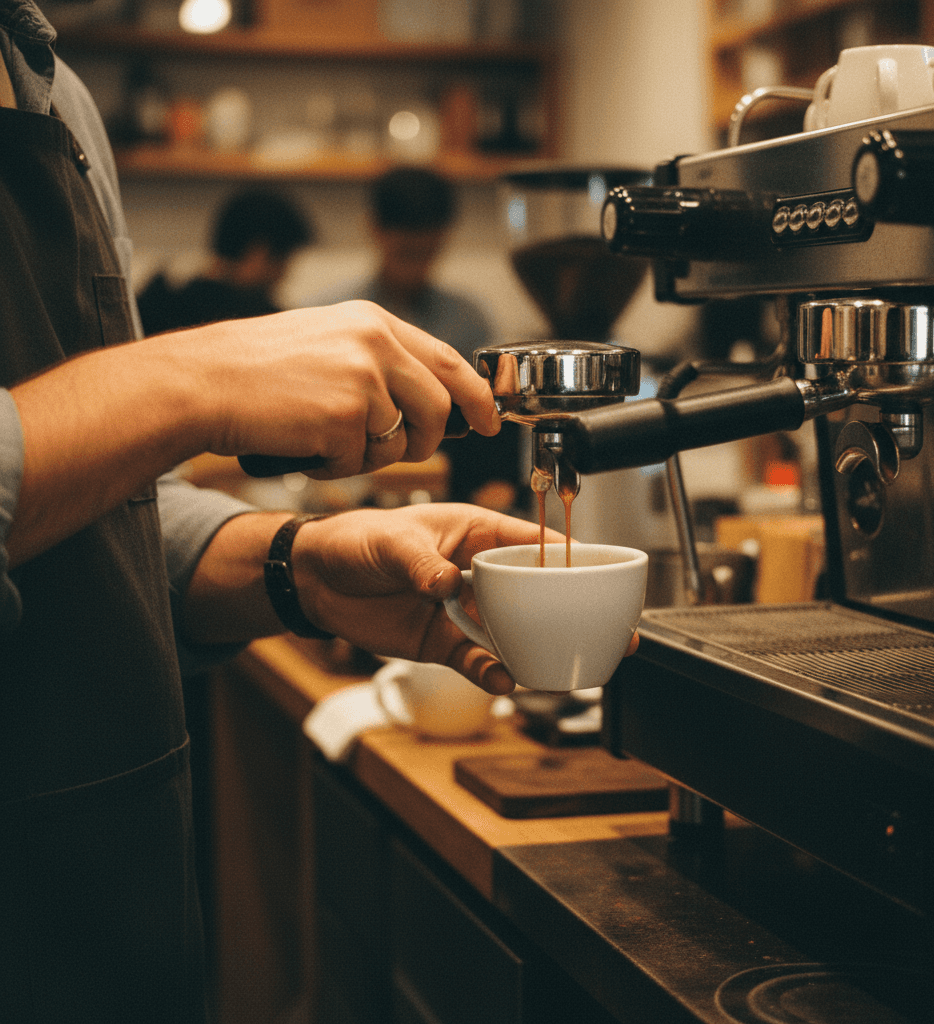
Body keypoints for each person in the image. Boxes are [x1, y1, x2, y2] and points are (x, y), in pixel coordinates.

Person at [0, 5, 558, 1020]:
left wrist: (293, 565)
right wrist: (186, 380)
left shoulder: (60, 97)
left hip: (119, 913)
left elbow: (108, 519)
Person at [310, 164, 526, 511]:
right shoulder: (331, 315)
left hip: (451, 498)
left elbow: (495, 419)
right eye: (405, 254)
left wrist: (498, 482)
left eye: (426, 254)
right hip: (351, 494)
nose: (415, 268)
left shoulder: (469, 320)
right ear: (373, 229)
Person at [136, 187, 314, 334]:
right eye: (283, 261)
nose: (283, 276)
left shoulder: (155, 303)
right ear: (258, 254)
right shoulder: (267, 323)